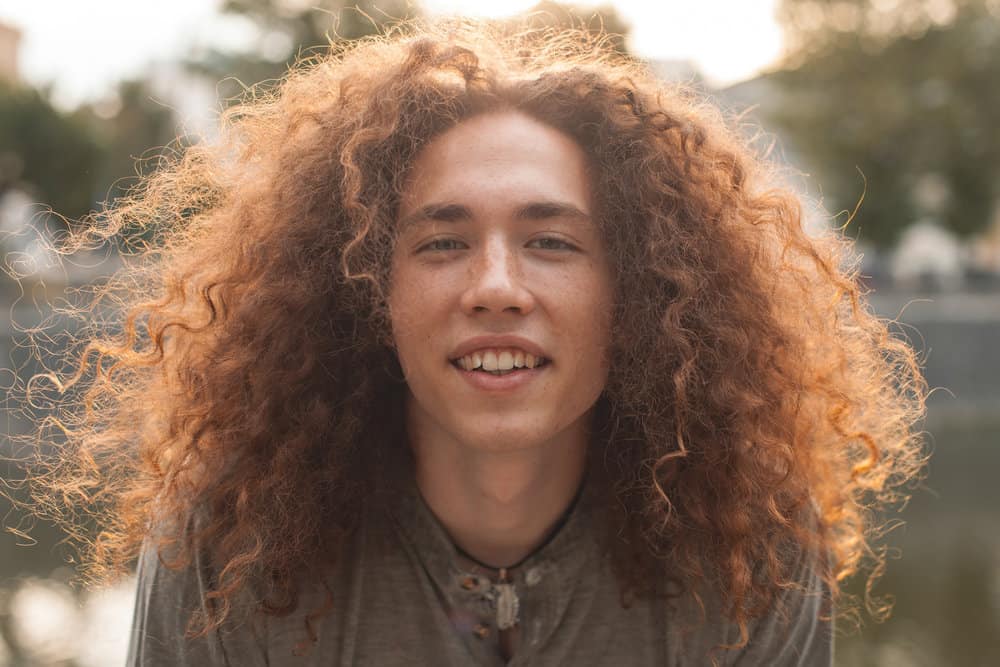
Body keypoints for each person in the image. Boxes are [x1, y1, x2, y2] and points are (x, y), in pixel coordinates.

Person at [23, 18, 926, 667]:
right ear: (368, 290)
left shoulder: (747, 545)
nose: (496, 285)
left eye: (553, 242)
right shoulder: (232, 544)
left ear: (638, 293)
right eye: (442, 241)